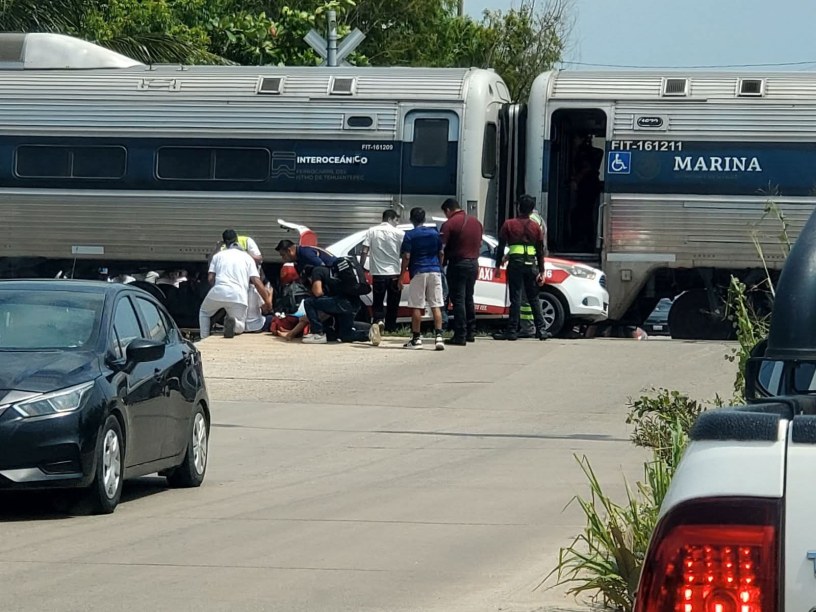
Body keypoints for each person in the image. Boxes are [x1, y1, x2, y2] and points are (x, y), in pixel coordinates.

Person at [493, 194, 548, 341]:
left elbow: (500, 247)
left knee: (515, 298)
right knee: (533, 298)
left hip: (515, 265)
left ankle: (511, 331)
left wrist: (497, 266)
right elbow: (540, 251)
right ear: (531, 210)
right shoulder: (536, 227)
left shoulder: (509, 224)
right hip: (531, 265)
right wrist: (542, 271)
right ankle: (541, 330)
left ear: (519, 208)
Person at [200, 235, 272, 339]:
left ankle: (204, 337)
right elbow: (256, 281)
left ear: (225, 244)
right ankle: (234, 323)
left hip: (219, 290)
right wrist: (268, 301)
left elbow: (210, 278)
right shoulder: (247, 257)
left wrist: (219, 287)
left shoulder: (218, 256)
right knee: (240, 326)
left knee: (204, 312)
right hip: (238, 295)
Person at [301, 265, 381, 346]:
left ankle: (318, 334)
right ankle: (369, 333)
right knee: (345, 335)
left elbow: (318, 292)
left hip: (342, 302)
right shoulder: (331, 272)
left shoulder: (316, 270)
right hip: (353, 303)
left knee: (308, 302)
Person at [400, 207, 445, 351]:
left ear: (411, 220)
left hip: (418, 271)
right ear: (424, 219)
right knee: (436, 304)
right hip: (435, 270)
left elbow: (407, 256)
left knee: (417, 306)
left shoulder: (410, 235)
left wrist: (401, 275)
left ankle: (416, 339)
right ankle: (439, 337)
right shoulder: (435, 234)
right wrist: (439, 266)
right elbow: (441, 253)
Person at [440, 198, 483, 346]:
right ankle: (471, 332)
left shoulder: (449, 224)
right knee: (468, 298)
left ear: (448, 210)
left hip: (458, 264)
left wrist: (441, 265)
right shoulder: (476, 223)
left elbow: (442, 249)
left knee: (458, 300)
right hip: (473, 264)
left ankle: (460, 335)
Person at [360, 209, 404, 333]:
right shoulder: (400, 233)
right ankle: (391, 327)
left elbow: (364, 250)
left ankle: (378, 321)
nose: (397, 223)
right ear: (390, 219)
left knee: (378, 301)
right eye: (396, 220)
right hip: (394, 273)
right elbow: (404, 251)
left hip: (378, 274)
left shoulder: (372, 231)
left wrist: (361, 266)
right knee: (393, 302)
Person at [519, 207, 548, 338]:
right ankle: (539, 329)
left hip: (528, 262)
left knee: (525, 299)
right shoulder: (539, 219)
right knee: (533, 298)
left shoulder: (530, 221)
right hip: (535, 262)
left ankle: (528, 328)